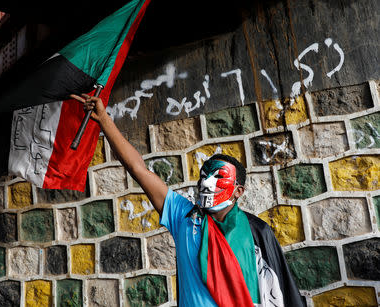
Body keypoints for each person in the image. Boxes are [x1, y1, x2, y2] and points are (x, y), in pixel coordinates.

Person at [70, 93, 304, 307]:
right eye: (204, 176)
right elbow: (137, 169)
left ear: (238, 191)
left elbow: (277, 290)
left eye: (219, 177)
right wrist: (104, 120)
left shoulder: (257, 232)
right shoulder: (184, 218)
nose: (207, 183)